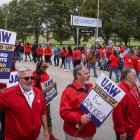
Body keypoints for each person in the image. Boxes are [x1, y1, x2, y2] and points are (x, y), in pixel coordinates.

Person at [0, 67, 50, 140]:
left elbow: (43, 112)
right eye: (26, 78)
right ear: (19, 79)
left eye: (32, 78)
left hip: (33, 137)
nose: (30, 80)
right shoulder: (8, 94)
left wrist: (46, 130)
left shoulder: (38, 92)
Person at [60, 65, 96, 140]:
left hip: (90, 132)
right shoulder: (69, 91)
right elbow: (64, 112)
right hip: (76, 134)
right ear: (78, 76)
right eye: (86, 73)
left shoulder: (91, 87)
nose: (89, 75)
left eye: (89, 73)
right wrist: (79, 118)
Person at [112, 67, 140, 140]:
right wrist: (121, 131)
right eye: (135, 75)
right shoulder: (120, 91)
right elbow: (117, 114)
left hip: (135, 128)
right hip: (127, 132)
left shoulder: (133, 86)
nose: (136, 77)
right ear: (128, 77)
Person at [33, 61, 57, 140]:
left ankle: (50, 136)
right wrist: (49, 88)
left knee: (48, 118)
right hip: (37, 101)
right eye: (43, 67)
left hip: (46, 100)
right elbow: (33, 89)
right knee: (36, 119)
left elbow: (48, 83)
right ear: (38, 66)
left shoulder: (45, 73)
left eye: (46, 67)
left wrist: (53, 85)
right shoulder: (34, 75)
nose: (45, 69)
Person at [0, 56, 17, 140]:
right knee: (5, 125)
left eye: (15, 59)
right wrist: (2, 90)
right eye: (12, 59)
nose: (14, 60)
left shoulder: (15, 71)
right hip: (3, 102)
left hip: (13, 103)